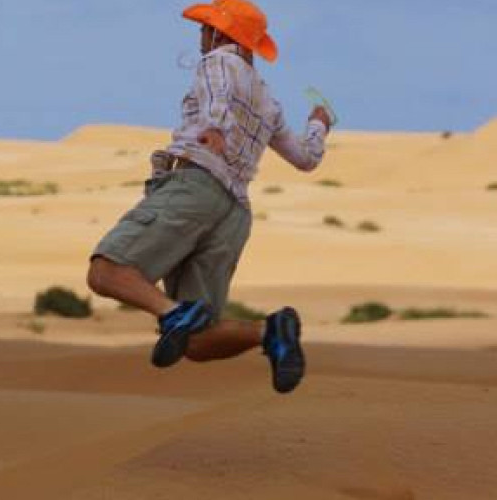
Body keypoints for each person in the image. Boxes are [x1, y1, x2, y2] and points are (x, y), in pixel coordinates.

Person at [86, 0, 331, 394]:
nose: (201, 35)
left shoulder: (219, 61)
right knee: (199, 344)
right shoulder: (269, 103)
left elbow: (217, 94)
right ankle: (271, 331)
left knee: (106, 271)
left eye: (206, 28)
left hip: (195, 185)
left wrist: (215, 126)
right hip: (234, 213)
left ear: (221, 33)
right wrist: (318, 125)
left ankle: (172, 314)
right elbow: (307, 158)